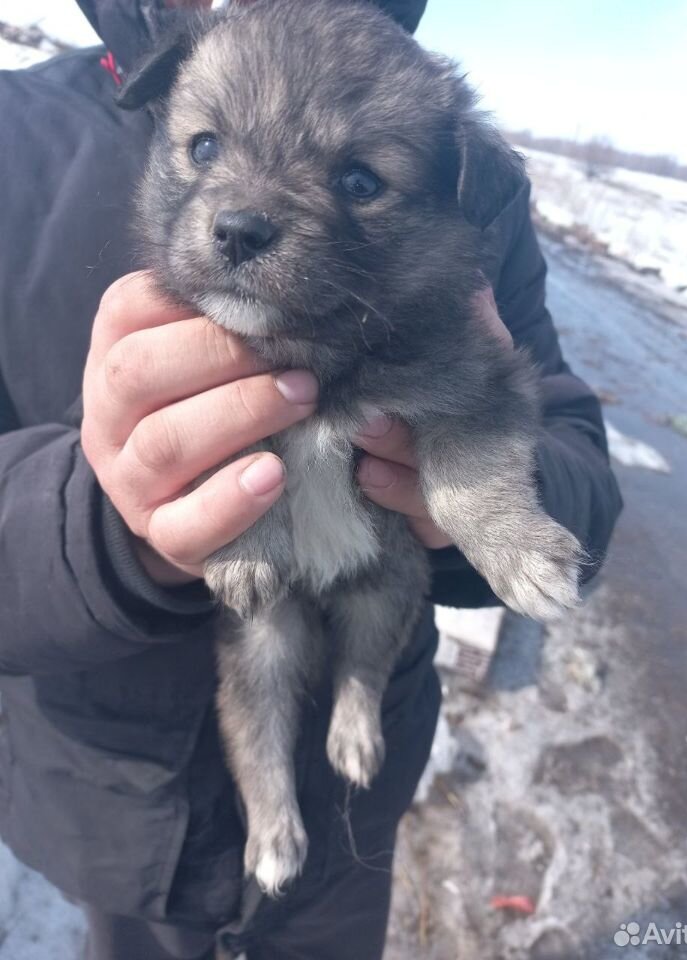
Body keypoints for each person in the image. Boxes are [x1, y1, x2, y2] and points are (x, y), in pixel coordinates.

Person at [0, 1, 622, 957]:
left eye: (359, 179)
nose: (243, 209)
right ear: (163, 115)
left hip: (351, 820)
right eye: (205, 149)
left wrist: (480, 496)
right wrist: (102, 526)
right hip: (109, 808)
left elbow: (569, 456)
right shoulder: (18, 136)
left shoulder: (449, 147)